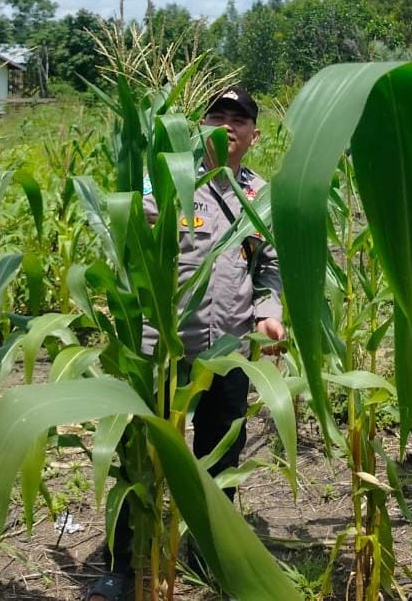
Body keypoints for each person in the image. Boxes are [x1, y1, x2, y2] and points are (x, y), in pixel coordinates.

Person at [87, 85, 287, 601]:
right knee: (144, 452)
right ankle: (123, 561)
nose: (226, 125)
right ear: (197, 126)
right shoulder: (167, 180)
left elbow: (273, 267)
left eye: (237, 119)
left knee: (222, 450)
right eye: (215, 115)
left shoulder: (262, 195)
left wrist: (269, 314)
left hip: (230, 349)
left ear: (254, 135)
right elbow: (129, 236)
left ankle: (210, 550)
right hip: (162, 347)